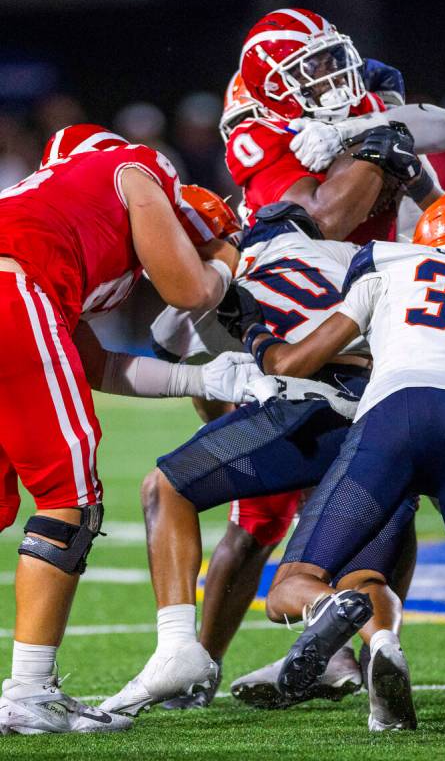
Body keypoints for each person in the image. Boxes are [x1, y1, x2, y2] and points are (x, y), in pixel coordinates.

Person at [243, 191, 445, 736]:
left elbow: (296, 361)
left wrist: (256, 332)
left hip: (395, 418)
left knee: (289, 590)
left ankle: (332, 609)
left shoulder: (388, 263)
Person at [0, 125, 254, 735]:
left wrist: (204, 380)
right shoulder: (134, 167)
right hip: (11, 291)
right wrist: (223, 257)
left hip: (18, 290)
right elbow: (188, 287)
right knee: (70, 499)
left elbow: (92, 365)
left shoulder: (55, 216)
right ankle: (28, 691)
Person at [101, 200, 385, 718]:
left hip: (300, 407)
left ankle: (186, 657)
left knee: (176, 490)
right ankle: (382, 648)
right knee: (375, 530)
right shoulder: (352, 253)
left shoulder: (208, 288)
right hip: (390, 402)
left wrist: (224, 440)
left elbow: (197, 370)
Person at [233, 7, 445, 242]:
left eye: (332, 56)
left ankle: (435, 245)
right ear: (274, 87)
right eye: (311, 65)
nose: (336, 72)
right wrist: (375, 151)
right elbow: (320, 226)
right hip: (298, 267)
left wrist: (343, 133)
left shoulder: (359, 107)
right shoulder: (262, 136)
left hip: (373, 260)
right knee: (384, 143)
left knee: (398, 140)